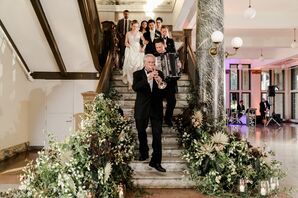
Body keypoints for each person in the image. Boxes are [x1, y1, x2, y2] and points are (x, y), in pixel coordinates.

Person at [132, 54, 166, 172]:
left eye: (153, 62)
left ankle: (156, 161)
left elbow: (164, 91)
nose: (152, 64)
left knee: (157, 135)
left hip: (156, 108)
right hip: (142, 107)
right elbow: (135, 87)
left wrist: (160, 81)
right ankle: (144, 152)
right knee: (141, 130)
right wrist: (148, 78)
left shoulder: (160, 74)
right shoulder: (137, 74)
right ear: (145, 63)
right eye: (150, 62)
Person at [154, 38, 180, 127]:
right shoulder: (155, 56)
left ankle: (168, 118)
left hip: (171, 82)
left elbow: (178, 68)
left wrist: (179, 67)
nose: (158, 49)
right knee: (157, 103)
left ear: (164, 44)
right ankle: (158, 119)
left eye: (160, 47)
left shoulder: (173, 54)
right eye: (156, 47)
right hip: (159, 82)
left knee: (172, 102)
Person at [122, 20, 147, 90]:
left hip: (138, 50)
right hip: (130, 50)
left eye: (136, 26)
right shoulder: (128, 33)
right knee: (129, 67)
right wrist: (128, 45)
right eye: (133, 26)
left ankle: (136, 82)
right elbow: (125, 42)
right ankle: (130, 83)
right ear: (131, 26)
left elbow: (145, 42)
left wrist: (143, 48)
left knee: (137, 66)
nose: (135, 27)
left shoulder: (140, 33)